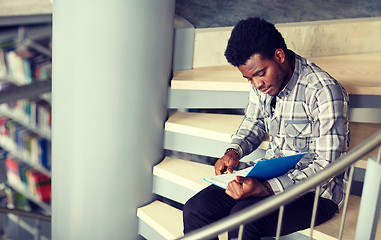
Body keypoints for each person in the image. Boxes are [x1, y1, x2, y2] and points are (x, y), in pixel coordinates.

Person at [182, 17, 350, 240]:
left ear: (279, 56)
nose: (256, 85)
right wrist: (233, 152)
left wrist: (267, 189)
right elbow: (255, 122)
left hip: (316, 192)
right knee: (195, 210)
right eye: (249, 78)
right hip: (268, 174)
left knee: (243, 220)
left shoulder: (323, 91)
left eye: (260, 73)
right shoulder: (262, 83)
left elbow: (327, 166)